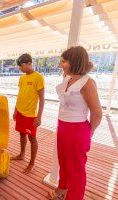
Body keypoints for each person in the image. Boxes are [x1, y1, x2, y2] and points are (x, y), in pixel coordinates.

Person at [48, 46, 102, 200]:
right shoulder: (69, 78)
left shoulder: (87, 83)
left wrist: (88, 132)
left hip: (77, 129)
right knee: (63, 162)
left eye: (64, 61)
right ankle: (61, 190)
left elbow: (97, 113)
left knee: (76, 171)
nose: (60, 65)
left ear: (75, 61)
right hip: (64, 126)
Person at [12, 53, 45, 174]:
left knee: (32, 138)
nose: (20, 68)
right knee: (21, 134)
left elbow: (42, 99)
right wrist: (15, 110)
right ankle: (21, 154)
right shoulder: (22, 78)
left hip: (31, 115)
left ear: (29, 64)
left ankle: (32, 163)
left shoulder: (38, 77)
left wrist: (39, 117)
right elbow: (20, 95)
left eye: (21, 65)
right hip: (20, 112)